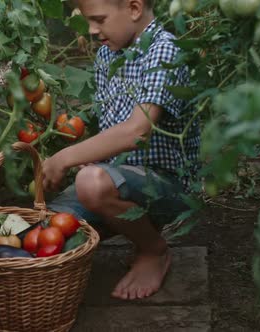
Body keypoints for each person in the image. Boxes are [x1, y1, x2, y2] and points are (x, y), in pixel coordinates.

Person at [44, 0, 200, 300]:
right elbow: (111, 128)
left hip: (168, 186)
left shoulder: (164, 50)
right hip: (122, 181)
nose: (91, 30)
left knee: (92, 183)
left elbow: (136, 132)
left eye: (99, 20)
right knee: (50, 228)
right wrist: (96, 159)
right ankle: (119, 221)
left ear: (134, 8)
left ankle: (153, 250)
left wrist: (66, 157)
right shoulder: (108, 55)